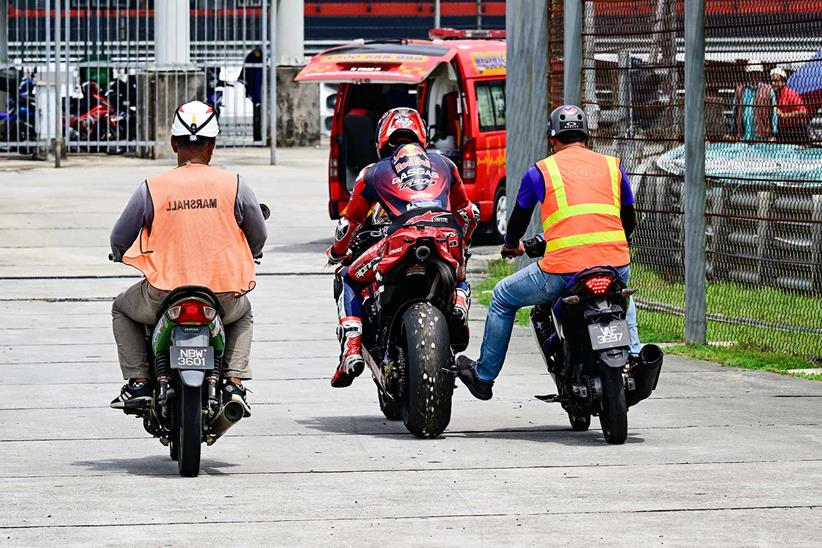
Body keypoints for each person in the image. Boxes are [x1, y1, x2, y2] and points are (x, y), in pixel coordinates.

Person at [455, 105, 640, 401]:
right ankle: (633, 357)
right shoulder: (612, 166)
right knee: (623, 296)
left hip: (565, 271)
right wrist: (614, 247)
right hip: (615, 261)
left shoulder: (540, 171)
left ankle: (484, 377)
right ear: (586, 137)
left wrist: (511, 244)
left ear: (552, 139)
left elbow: (518, 219)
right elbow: (628, 218)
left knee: (502, 296)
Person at [109, 100, 267, 413]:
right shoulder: (234, 184)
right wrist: (254, 251)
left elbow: (119, 237)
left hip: (163, 293)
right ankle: (234, 381)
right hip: (221, 294)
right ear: (213, 146)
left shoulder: (151, 188)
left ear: (173, 143)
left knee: (121, 309)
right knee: (243, 313)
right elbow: (258, 233)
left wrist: (118, 253)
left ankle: (139, 381)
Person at [326, 107, 478, 388]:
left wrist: (337, 252)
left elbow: (351, 223)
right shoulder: (446, 164)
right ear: (421, 134)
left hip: (399, 241)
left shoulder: (371, 173)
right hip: (446, 238)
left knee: (346, 276)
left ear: (382, 139)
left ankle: (352, 347)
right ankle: (457, 305)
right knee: (460, 275)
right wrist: (464, 243)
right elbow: (469, 213)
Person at [732, 61, 776, 141]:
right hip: (743, 135)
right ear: (748, 74)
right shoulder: (740, 90)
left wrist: (774, 133)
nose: (754, 76)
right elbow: (735, 112)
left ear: (760, 74)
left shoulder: (768, 90)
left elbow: (773, 113)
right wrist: (733, 132)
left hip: (762, 135)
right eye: (752, 73)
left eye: (757, 73)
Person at [770, 67, 809, 144]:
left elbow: (803, 111)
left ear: (783, 82)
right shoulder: (772, 94)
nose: (773, 83)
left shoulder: (791, 94)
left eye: (776, 81)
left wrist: (786, 115)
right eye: (772, 81)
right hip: (780, 130)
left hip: (795, 129)